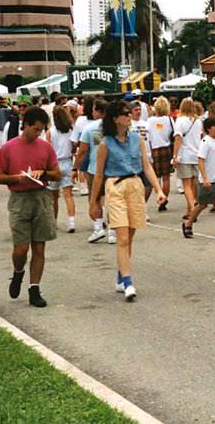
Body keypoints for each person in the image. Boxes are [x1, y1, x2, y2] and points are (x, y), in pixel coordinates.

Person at [90, 101, 166, 301]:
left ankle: (120, 274)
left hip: (135, 185)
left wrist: (158, 189)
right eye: (125, 114)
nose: (130, 116)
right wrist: (93, 202)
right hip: (115, 186)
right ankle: (128, 282)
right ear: (115, 118)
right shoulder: (105, 144)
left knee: (129, 237)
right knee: (122, 237)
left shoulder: (136, 139)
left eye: (130, 113)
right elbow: (98, 175)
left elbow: (147, 166)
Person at [0, 106, 60, 308]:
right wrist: (16, 177)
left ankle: (34, 288)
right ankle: (18, 272)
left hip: (41, 197)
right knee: (21, 248)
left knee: (39, 245)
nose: (38, 133)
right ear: (26, 126)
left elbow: (57, 173)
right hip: (19, 198)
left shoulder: (46, 147)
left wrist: (45, 173)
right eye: (36, 129)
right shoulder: (9, 148)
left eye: (41, 130)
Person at [183, 117, 215, 239]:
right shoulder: (205, 141)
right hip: (209, 178)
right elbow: (201, 160)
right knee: (202, 204)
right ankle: (188, 222)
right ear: (209, 128)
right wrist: (204, 178)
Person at [75, 99, 112, 243]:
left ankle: (98, 227)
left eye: (94, 110)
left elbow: (82, 150)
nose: (92, 112)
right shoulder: (115, 126)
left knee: (95, 197)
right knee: (112, 199)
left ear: (98, 111)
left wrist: (76, 167)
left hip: (94, 167)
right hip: (113, 167)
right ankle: (113, 230)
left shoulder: (90, 128)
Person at [46, 106, 76, 233]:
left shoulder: (50, 132)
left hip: (54, 164)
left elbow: (46, 149)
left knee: (54, 196)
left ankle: (53, 222)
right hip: (67, 162)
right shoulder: (71, 130)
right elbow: (74, 146)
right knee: (68, 194)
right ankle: (71, 221)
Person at [173, 98, 203, 219]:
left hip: (184, 155)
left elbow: (178, 138)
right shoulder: (198, 121)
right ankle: (190, 208)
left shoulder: (180, 120)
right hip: (196, 154)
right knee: (194, 182)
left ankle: (192, 208)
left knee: (186, 184)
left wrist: (175, 155)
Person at [148, 96, 174, 212]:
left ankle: (160, 195)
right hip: (166, 148)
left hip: (154, 149)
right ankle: (165, 198)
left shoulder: (150, 120)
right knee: (166, 177)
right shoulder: (169, 119)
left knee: (155, 177)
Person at [130, 100, 154, 213]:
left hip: (146, 157)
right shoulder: (129, 125)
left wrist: (151, 155)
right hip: (133, 159)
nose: (138, 112)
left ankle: (142, 205)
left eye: (139, 109)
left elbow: (151, 141)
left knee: (149, 185)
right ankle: (137, 207)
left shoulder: (146, 124)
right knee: (136, 186)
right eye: (136, 110)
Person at [70, 96, 95, 196]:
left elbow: (74, 140)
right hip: (99, 151)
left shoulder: (81, 120)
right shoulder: (101, 122)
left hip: (85, 152)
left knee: (86, 173)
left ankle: (86, 187)